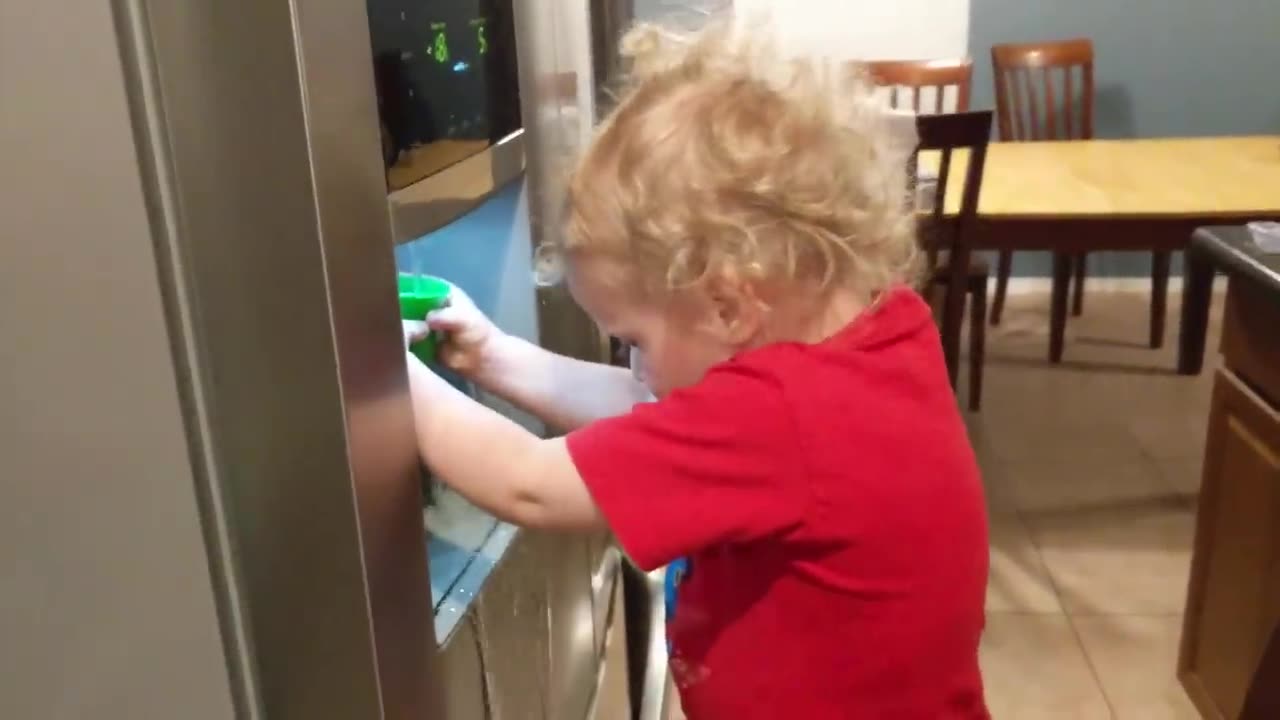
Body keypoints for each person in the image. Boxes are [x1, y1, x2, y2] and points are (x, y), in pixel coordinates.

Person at [402, 17, 989, 720]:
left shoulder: (780, 416)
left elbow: (530, 485)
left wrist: (382, 375)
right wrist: (493, 355)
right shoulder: (874, 341)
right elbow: (656, 415)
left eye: (634, 337)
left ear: (728, 304)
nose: (635, 364)